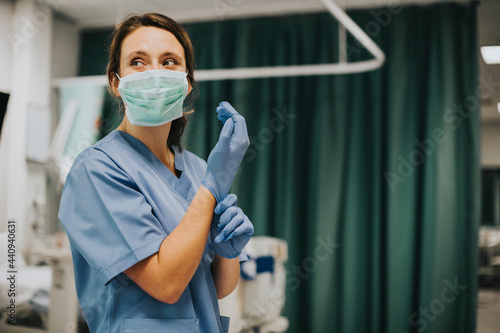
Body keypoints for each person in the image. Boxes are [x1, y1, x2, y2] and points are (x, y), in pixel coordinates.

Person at [58, 13, 254, 333]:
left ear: (187, 82)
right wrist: (210, 190)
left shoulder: (198, 169)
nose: (154, 74)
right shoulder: (96, 170)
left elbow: (212, 289)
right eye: (137, 61)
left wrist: (227, 253)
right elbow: (166, 284)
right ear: (115, 82)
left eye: (169, 62)